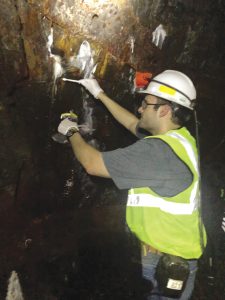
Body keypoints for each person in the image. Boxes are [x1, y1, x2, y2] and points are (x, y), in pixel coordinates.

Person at [57, 70, 207, 299]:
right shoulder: (179, 138)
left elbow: (92, 163)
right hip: (165, 253)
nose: (140, 109)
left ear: (165, 110)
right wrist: (99, 94)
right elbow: (132, 123)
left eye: (146, 104)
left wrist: (71, 131)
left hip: (167, 264)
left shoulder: (159, 153)